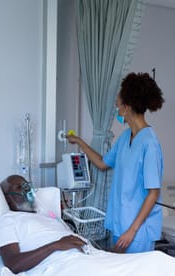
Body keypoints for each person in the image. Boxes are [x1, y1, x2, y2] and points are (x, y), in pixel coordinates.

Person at [66, 72, 164, 253]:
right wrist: (79, 142)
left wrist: (132, 231)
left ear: (127, 108)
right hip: (120, 223)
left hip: (137, 230)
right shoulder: (125, 137)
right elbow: (103, 163)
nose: (117, 111)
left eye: (118, 107)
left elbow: (153, 193)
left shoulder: (149, 143)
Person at [0, 174, 87, 273]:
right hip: (61, 266)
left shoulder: (47, 216)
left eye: (27, 185)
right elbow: (12, 264)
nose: (27, 189)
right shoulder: (7, 221)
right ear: (7, 199)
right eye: (19, 187)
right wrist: (55, 246)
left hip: (87, 258)